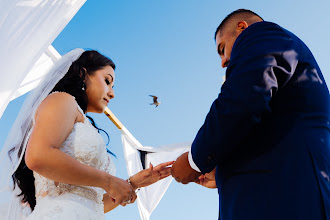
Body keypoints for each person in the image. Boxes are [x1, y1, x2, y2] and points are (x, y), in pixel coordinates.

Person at [171, 9, 330, 220]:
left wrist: (194, 161)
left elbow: (244, 98)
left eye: (222, 49)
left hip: (287, 197)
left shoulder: (260, 34)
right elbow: (263, 124)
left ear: (242, 27)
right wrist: (222, 171)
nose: (222, 61)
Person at [0, 49, 173, 220]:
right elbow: (38, 156)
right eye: (107, 81)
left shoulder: (85, 123)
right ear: (83, 74)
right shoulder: (62, 99)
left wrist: (132, 184)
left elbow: (92, 203)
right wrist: (109, 182)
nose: (112, 93)